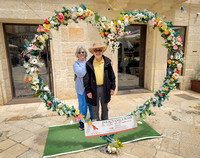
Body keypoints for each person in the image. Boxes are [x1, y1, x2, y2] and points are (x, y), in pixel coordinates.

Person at [84, 43, 116, 121]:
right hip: (93, 89)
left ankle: (105, 124)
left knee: (105, 107)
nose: (98, 52)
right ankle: (97, 126)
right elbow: (86, 79)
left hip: (105, 88)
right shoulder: (89, 63)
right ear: (93, 52)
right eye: (96, 50)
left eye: (99, 50)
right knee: (95, 108)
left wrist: (112, 88)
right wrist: (88, 91)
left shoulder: (107, 62)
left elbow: (112, 76)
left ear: (102, 51)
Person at [73, 46, 93, 130]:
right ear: (77, 55)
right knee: (82, 106)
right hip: (81, 88)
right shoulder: (75, 64)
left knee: (92, 104)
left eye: (83, 52)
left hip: (91, 87)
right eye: (79, 52)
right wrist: (86, 65)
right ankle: (81, 122)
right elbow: (80, 73)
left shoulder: (90, 60)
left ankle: (93, 119)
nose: (81, 54)